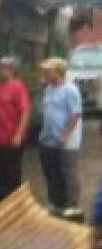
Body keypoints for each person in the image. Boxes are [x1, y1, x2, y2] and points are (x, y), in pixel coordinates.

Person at [0, 56, 32, 205]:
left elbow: (25, 112)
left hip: (10, 139)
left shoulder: (17, 87)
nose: (0, 70)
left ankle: (12, 204)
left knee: (10, 174)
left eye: (3, 67)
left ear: (12, 70)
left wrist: (18, 134)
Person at [37, 57, 83, 216]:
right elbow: (44, 109)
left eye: (47, 71)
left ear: (57, 72)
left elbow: (74, 115)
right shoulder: (48, 88)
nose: (44, 73)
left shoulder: (70, 90)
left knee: (67, 173)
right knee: (51, 172)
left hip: (65, 141)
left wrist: (65, 135)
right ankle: (56, 202)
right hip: (48, 139)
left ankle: (72, 205)